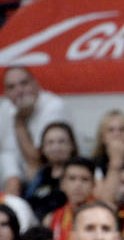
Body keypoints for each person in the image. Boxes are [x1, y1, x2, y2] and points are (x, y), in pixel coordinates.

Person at [1, 67, 71, 198]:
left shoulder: (54, 106)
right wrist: (12, 178)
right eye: (12, 87)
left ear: (36, 84)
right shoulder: (5, 109)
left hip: (54, 174)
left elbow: (39, 159)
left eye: (24, 83)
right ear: (6, 93)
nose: (19, 91)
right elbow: (7, 152)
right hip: (19, 178)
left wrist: (19, 122)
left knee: (34, 171)